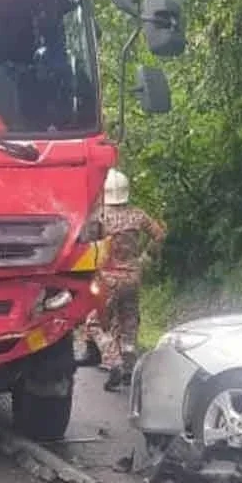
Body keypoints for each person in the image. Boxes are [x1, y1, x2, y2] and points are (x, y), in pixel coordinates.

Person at [81, 168, 166, 392]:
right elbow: (159, 234)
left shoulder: (98, 216)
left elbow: (85, 243)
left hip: (107, 279)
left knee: (95, 323)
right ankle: (129, 363)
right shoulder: (138, 215)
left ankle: (113, 360)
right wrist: (146, 257)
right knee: (129, 320)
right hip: (133, 277)